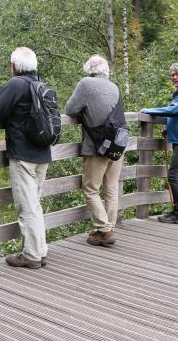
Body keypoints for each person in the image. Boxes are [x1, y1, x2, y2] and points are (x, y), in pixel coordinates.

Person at [0, 47, 51, 269]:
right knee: (35, 204)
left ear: (14, 66)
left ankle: (31, 255)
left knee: (27, 207)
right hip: (42, 152)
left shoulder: (16, 84)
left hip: (23, 154)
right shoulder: (41, 84)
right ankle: (40, 251)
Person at [65, 55, 124, 246]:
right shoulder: (114, 86)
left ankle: (104, 229)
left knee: (90, 189)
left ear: (89, 69)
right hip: (117, 144)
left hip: (97, 146)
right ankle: (108, 227)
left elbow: (70, 109)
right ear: (106, 70)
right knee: (111, 188)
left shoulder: (86, 84)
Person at [141, 62, 178, 225]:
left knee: (173, 175)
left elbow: (174, 110)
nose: (174, 77)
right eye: (172, 75)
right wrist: (169, 127)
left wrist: (148, 110)